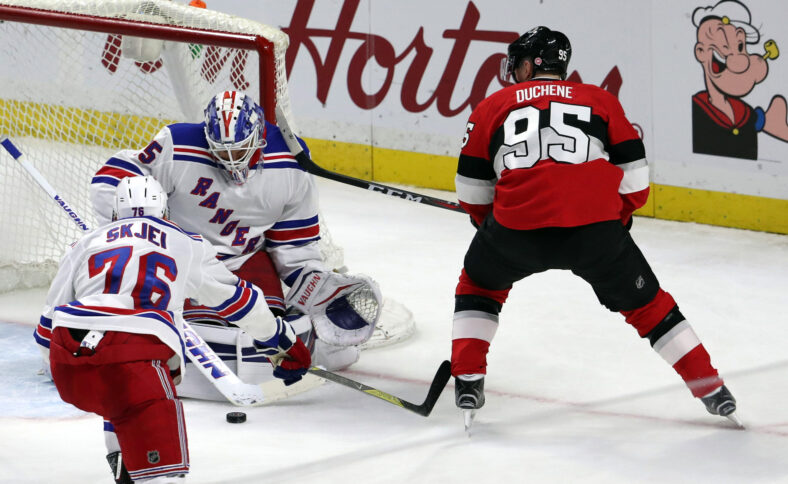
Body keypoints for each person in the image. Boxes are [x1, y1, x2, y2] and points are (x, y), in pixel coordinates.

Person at [451, 26, 739, 426]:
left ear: (533, 63)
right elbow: (636, 182)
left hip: (514, 230)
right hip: (597, 232)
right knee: (649, 306)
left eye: (518, 61)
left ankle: (467, 380)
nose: (513, 68)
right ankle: (711, 388)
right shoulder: (601, 101)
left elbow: (471, 190)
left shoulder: (491, 106)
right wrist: (614, 221)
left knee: (479, 286)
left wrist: (490, 225)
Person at [85, 90, 381, 396]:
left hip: (246, 259)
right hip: (183, 260)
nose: (231, 161)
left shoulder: (291, 165)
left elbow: (295, 244)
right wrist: (134, 228)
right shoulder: (178, 144)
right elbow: (114, 178)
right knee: (177, 330)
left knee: (269, 327)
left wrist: (313, 284)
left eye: (240, 151)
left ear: (259, 137)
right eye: (221, 152)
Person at [41, 176, 310, 483]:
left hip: (70, 358)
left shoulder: (83, 245)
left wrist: (61, 366)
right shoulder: (186, 243)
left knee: (115, 395)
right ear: (166, 213)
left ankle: (123, 467)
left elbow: (46, 327)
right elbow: (238, 302)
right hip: (134, 356)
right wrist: (280, 339)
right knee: (157, 466)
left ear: (115, 214)